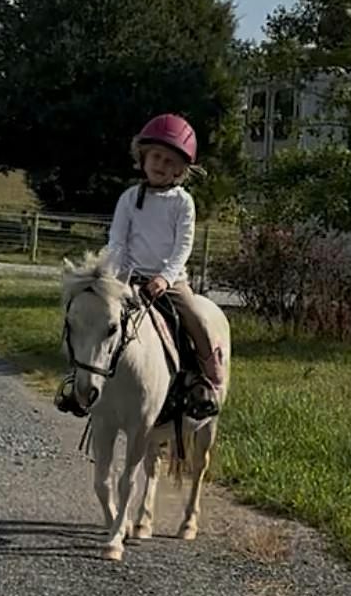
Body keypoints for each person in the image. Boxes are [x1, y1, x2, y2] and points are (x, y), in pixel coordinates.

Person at [56, 113, 226, 420]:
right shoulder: (129, 198)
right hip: (128, 279)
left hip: (170, 282)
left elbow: (182, 247)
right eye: (156, 157)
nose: (161, 165)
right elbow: (118, 241)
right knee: (94, 319)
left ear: (181, 170)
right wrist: (112, 275)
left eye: (170, 162)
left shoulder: (183, 202)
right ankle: (79, 378)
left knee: (195, 318)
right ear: (143, 157)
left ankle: (206, 379)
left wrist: (165, 278)